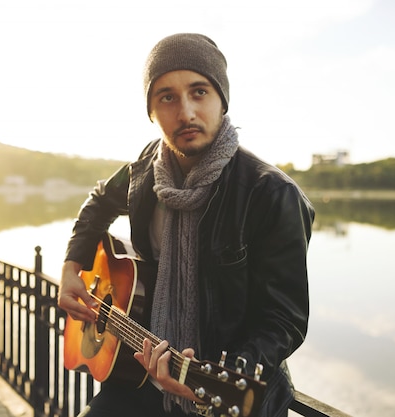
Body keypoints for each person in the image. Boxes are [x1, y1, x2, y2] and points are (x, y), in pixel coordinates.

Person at [58, 33, 315, 417]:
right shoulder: (146, 171)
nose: (186, 112)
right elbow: (98, 201)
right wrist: (71, 266)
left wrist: (224, 375)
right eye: (167, 97)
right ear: (151, 111)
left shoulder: (270, 194)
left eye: (199, 92)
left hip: (219, 389)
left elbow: (283, 321)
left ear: (221, 101)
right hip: (142, 371)